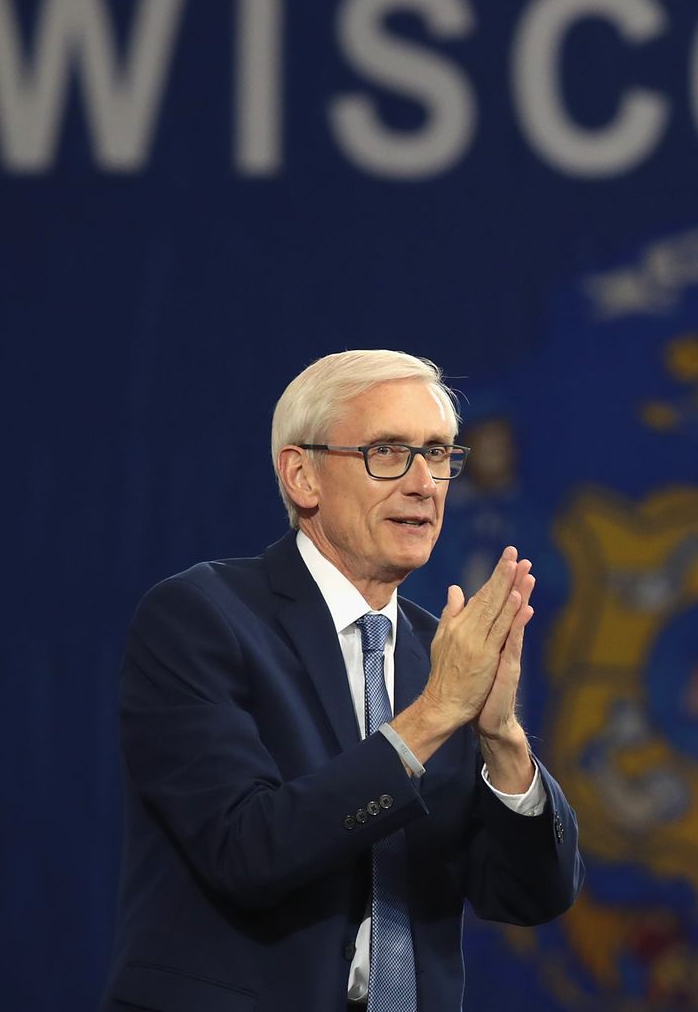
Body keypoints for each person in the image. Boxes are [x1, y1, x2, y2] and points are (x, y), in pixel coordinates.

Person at [102, 351, 583, 1012]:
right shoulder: (203, 618)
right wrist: (438, 711)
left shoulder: (436, 651)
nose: (424, 483)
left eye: (438, 453)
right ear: (303, 475)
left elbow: (529, 896)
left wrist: (502, 737)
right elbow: (247, 850)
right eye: (388, 451)